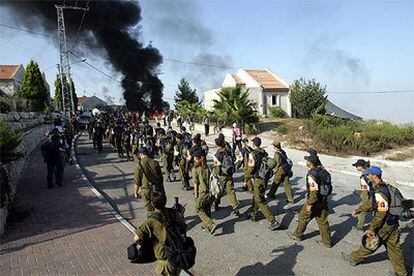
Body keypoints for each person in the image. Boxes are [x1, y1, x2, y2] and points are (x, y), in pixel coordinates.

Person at [342, 166, 408, 276]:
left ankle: (353, 258)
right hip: (392, 222)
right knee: (395, 248)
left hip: (384, 225)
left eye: (369, 175)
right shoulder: (380, 187)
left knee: (370, 243)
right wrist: (359, 210)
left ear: (375, 176)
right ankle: (402, 273)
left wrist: (372, 229)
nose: (367, 176)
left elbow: (381, 213)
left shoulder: (380, 192)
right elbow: (371, 203)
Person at [134, 192, 187, 275]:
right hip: (178, 256)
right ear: (165, 201)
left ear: (152, 203)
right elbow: (183, 228)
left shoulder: (150, 220)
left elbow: (136, 238)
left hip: (165, 261)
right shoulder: (175, 213)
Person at [289, 154, 332, 248]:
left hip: (315, 201)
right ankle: (327, 241)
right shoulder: (323, 170)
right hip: (323, 200)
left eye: (307, 160)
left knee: (303, 217)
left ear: (310, 163)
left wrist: (310, 203)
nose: (306, 162)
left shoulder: (312, 174)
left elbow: (313, 192)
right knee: (323, 221)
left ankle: (297, 235)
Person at [244, 137, 279, 231]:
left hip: (258, 179)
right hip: (265, 179)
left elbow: (250, 168)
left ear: (254, 144)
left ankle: (272, 221)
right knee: (256, 195)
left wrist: (245, 178)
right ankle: (253, 213)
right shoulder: (263, 152)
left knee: (260, 200)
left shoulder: (253, 155)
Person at [192, 148, 217, 234]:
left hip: (203, 193)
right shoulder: (208, 167)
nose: (194, 160)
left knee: (198, 208)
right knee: (207, 209)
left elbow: (195, 183)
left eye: (195, 158)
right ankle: (207, 227)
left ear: (199, 158)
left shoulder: (195, 169)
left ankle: (210, 224)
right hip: (211, 192)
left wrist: (195, 195)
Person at [133, 147, 165, 212]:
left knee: (150, 210)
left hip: (146, 190)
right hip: (157, 188)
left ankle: (153, 220)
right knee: (159, 207)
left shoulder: (138, 164)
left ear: (141, 154)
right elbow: (161, 177)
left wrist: (135, 192)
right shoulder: (155, 162)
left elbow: (137, 181)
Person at [213, 137, 240, 215]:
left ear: (216, 145)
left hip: (222, 176)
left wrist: (215, 175)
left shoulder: (217, 155)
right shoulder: (228, 151)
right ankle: (235, 207)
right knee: (231, 191)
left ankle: (216, 204)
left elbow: (217, 168)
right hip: (229, 174)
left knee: (219, 191)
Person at [266, 140, 294, 210]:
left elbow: (277, 164)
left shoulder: (276, 154)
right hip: (286, 169)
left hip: (281, 170)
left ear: (275, 146)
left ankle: (271, 194)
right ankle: (290, 199)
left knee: (275, 182)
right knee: (287, 184)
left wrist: (273, 172)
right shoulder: (282, 151)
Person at [352, 159, 372, 231]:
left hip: (370, 196)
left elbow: (365, 192)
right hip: (375, 194)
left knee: (361, 211)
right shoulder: (371, 172)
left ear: (361, 167)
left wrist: (364, 204)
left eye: (357, 166)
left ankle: (360, 227)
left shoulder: (363, 177)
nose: (356, 167)